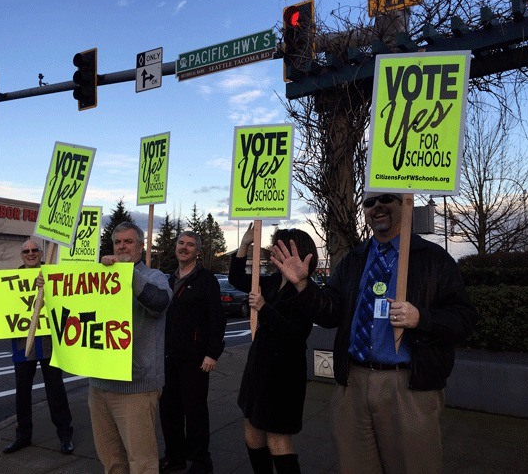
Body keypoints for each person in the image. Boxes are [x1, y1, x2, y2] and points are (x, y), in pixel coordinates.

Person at [271, 192, 478, 473]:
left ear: (404, 203)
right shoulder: (354, 259)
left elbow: (464, 319)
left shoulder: (433, 258)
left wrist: (422, 318)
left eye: (386, 198)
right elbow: (330, 313)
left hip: (407, 387)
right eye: (369, 202)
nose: (377, 206)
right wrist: (303, 285)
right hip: (353, 383)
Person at [228, 225, 318, 474]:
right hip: (259, 368)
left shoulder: (304, 290)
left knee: (278, 440)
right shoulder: (270, 282)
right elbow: (237, 279)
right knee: (252, 433)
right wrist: (245, 244)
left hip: (284, 375)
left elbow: (295, 333)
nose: (273, 252)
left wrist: (265, 309)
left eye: (280, 247)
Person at [92, 222, 172, 474]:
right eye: (118, 242)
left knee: (142, 463)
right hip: (100, 383)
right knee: (112, 461)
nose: (122, 246)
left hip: (136, 386)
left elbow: (158, 302)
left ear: (141, 246)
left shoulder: (154, 277)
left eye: (129, 242)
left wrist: (125, 274)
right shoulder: (99, 276)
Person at [0, 238, 74, 455]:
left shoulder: (52, 275)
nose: (31, 254)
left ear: (41, 254)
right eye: (26, 251)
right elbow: (2, 308)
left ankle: (65, 436)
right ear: (21, 255)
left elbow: (68, 300)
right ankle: (23, 436)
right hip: (23, 345)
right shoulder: (8, 281)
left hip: (49, 344)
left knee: (56, 391)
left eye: (35, 250)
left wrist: (49, 288)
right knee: (22, 393)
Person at [159, 231, 226, 474]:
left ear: (198, 251)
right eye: (180, 243)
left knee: (195, 411)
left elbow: (217, 319)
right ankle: (174, 456)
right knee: (169, 410)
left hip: (195, 358)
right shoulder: (167, 279)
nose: (184, 248)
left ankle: (200, 461)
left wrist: (212, 353)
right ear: (175, 247)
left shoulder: (206, 279)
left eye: (190, 245)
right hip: (167, 357)